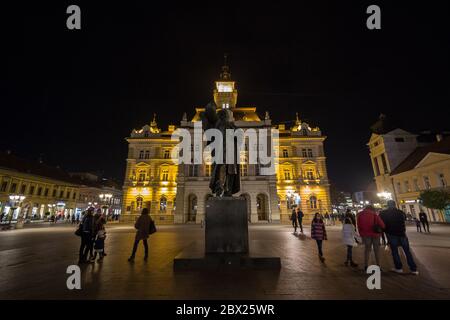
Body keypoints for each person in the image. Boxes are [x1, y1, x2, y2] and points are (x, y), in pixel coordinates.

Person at [380, 201, 419, 275]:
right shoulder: (401, 212)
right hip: (402, 234)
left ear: (388, 205)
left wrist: (385, 230)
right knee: (407, 252)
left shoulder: (384, 213)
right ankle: (413, 269)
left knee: (395, 252)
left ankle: (399, 268)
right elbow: (404, 219)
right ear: (395, 205)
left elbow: (382, 223)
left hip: (392, 234)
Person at [357, 205, 385, 271]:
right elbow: (382, 225)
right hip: (375, 235)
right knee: (377, 251)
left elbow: (359, 226)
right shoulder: (374, 215)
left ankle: (366, 265)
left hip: (365, 235)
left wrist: (361, 234)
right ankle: (378, 266)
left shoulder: (360, 215)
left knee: (367, 250)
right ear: (372, 209)